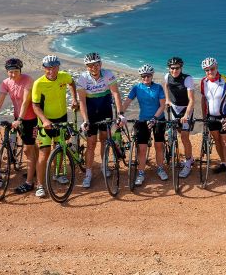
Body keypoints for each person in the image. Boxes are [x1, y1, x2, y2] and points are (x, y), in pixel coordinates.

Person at [0, 58, 38, 193]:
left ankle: (29, 182)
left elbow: (26, 101)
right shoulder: (6, 82)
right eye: (10, 72)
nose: (12, 74)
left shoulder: (28, 79)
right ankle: (36, 168)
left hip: (30, 118)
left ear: (20, 70)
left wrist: (20, 119)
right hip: (18, 117)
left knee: (28, 149)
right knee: (31, 145)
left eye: (15, 71)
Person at [75, 52, 125, 188]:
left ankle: (104, 166)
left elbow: (115, 94)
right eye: (90, 66)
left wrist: (120, 114)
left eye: (96, 65)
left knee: (104, 140)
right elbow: (83, 102)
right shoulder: (82, 79)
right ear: (87, 67)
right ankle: (88, 173)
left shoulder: (108, 74)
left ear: (100, 64)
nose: (93, 68)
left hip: (105, 111)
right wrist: (85, 120)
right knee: (91, 144)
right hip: (91, 114)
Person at [31, 55, 78, 198]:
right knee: (44, 153)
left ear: (58, 67)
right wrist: (45, 121)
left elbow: (72, 83)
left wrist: (74, 99)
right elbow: (35, 106)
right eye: (48, 68)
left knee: (60, 148)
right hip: (45, 122)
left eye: (54, 67)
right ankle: (40, 185)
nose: (51, 71)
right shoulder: (39, 83)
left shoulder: (64, 76)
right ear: (44, 68)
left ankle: (58, 174)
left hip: (62, 118)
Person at [122, 64, 167, 186]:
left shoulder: (158, 88)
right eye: (143, 76)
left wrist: (154, 118)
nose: (146, 78)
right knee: (142, 149)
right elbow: (127, 101)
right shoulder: (137, 88)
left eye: (148, 76)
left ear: (152, 76)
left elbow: (162, 105)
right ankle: (141, 172)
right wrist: (121, 113)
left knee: (159, 145)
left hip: (158, 119)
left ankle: (160, 168)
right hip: (143, 120)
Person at [199, 57, 226, 185]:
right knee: (217, 141)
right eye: (207, 70)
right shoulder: (203, 81)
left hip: (223, 117)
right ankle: (224, 163)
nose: (210, 72)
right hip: (211, 118)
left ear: (217, 67)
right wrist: (204, 116)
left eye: (212, 69)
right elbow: (204, 99)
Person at [162, 56, 195, 178]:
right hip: (174, 109)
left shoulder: (188, 79)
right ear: (169, 68)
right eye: (172, 68)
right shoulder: (167, 76)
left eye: (177, 68)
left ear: (181, 68)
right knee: (175, 132)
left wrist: (186, 114)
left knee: (185, 137)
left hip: (186, 109)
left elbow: (192, 100)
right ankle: (187, 158)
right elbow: (166, 86)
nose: (174, 71)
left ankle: (188, 164)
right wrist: (167, 99)